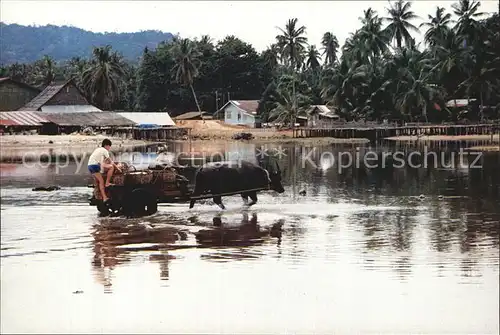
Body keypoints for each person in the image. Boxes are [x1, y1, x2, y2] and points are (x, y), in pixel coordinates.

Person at [88, 139, 121, 204]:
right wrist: (117, 168)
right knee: (111, 167)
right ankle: (107, 184)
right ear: (106, 145)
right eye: (109, 146)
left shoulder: (98, 149)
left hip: (90, 166)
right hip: (95, 166)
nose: (109, 148)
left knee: (99, 181)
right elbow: (111, 161)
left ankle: (99, 195)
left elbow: (102, 162)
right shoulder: (104, 150)